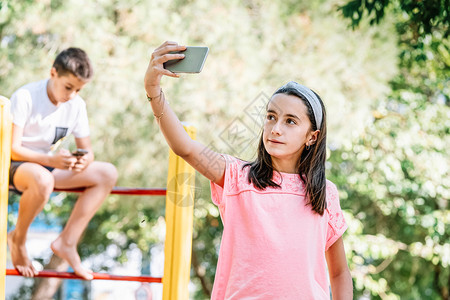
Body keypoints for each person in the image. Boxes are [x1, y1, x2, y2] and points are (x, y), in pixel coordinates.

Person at [144, 41, 353, 299]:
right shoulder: (236, 176)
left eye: (290, 121)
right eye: (271, 116)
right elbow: (184, 147)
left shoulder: (324, 193)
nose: (276, 128)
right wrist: (153, 89)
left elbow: (340, 273)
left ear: (312, 136)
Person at [8, 47, 118, 280]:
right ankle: (18, 240)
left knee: (107, 173)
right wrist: (50, 160)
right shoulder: (26, 96)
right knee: (43, 179)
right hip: (16, 166)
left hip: (49, 167)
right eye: (68, 87)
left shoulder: (76, 106)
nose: (72, 95)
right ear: (53, 73)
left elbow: (87, 150)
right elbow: (13, 149)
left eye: (78, 90)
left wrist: (83, 160)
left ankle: (67, 242)